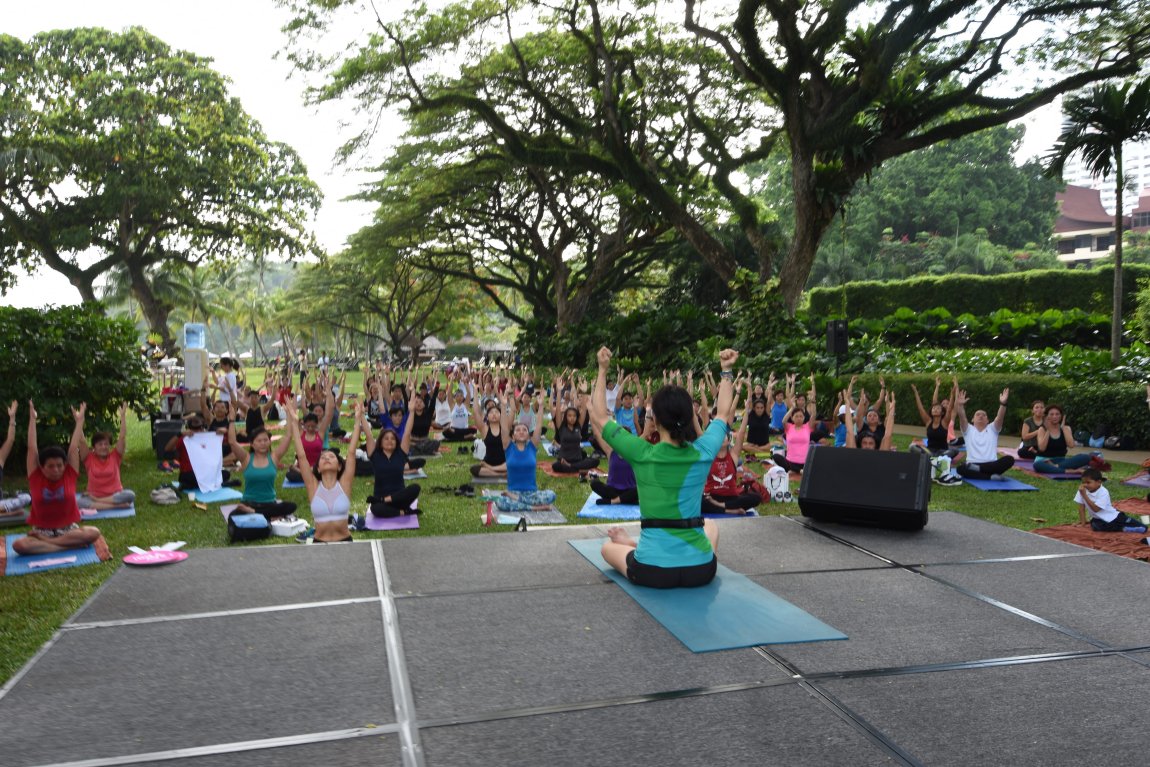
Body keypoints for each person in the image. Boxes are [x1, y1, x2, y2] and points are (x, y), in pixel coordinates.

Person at [591, 345, 738, 589]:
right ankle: (655, 548)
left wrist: (602, 369)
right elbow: (722, 414)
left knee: (607, 548)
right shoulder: (703, 451)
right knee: (710, 525)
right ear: (691, 418)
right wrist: (726, 370)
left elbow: (599, 416)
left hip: (652, 570)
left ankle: (633, 544)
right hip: (700, 571)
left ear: (655, 420)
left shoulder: (641, 452)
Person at [12, 401, 102, 555]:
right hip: (42, 531)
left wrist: (80, 421)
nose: (56, 470)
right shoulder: (35, 476)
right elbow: (32, 448)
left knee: (93, 532)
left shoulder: (69, 473)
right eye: (51, 466)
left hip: (68, 531)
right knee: (19, 545)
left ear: (65, 465)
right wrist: (33, 419)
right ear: (42, 467)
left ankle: (51, 545)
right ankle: (67, 547)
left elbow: (74, 447)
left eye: (59, 465)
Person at [286, 400, 363, 542]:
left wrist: (358, 420)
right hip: (319, 543)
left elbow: (351, 453)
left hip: (345, 540)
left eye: (331, 457)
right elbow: (301, 456)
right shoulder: (313, 486)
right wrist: (294, 423)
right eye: (323, 457)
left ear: (339, 466)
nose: (327, 458)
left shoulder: (344, 484)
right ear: (318, 467)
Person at [227, 406, 298, 520]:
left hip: (269, 503)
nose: (263, 443)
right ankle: (266, 515)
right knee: (233, 516)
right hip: (249, 503)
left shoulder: (274, 457)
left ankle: (257, 513)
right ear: (252, 444)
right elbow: (232, 442)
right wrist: (231, 420)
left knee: (291, 506)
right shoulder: (246, 458)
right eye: (259, 441)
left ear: (270, 442)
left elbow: (288, 436)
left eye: (266, 440)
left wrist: (289, 414)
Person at [701, 384, 760, 516]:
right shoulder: (709, 454)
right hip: (711, 497)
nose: (722, 438)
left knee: (756, 497)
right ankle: (730, 510)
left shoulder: (733, 455)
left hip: (730, 498)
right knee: (697, 501)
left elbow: (742, 432)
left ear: (728, 439)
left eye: (725, 436)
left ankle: (722, 507)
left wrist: (746, 410)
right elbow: (704, 411)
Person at [493, 392, 556, 512]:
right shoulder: (508, 447)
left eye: (524, 430)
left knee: (551, 495)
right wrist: (503, 405)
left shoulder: (532, 446)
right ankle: (533, 507)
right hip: (513, 492)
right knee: (500, 502)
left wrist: (541, 406)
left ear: (528, 436)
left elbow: (538, 426)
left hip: (531, 493)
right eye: (517, 430)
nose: (521, 432)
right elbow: (504, 428)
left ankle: (519, 500)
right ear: (513, 436)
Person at [362, 399, 421, 518]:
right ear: (381, 442)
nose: (390, 441)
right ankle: (402, 512)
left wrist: (412, 411)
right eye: (386, 438)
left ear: (396, 442)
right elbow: (368, 435)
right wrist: (361, 415)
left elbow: (407, 433)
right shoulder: (375, 455)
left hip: (399, 498)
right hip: (381, 500)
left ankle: (387, 501)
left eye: (393, 438)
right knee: (375, 508)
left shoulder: (400, 453)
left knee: (416, 487)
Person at [77, 403, 136, 510]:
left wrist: (122, 416)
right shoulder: (88, 458)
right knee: (79, 502)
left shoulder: (115, 456)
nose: (104, 447)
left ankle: (100, 503)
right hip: (95, 495)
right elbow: (81, 440)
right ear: (94, 447)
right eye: (100, 444)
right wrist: (79, 421)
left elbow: (122, 437)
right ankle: (116, 506)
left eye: (106, 444)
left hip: (113, 496)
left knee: (130, 495)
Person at [954, 387, 1016, 480]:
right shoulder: (968, 429)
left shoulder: (993, 429)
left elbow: (1000, 417)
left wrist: (1003, 404)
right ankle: (990, 476)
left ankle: (979, 471)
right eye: (978, 414)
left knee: (1009, 459)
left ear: (987, 420)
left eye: (984, 415)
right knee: (960, 469)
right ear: (972, 419)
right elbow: (962, 417)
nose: (981, 416)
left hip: (992, 464)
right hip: (973, 463)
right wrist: (960, 405)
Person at [1075, 467, 1146, 532]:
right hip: (1098, 520)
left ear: (1099, 482)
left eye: (1088, 482)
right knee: (1096, 526)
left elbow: (1096, 509)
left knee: (1143, 527)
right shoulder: (1082, 490)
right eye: (1083, 482)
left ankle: (1127, 527)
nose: (1085, 485)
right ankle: (1123, 529)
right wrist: (1083, 524)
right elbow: (1081, 508)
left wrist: (1084, 495)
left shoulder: (1103, 492)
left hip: (1114, 516)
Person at [1032, 404, 1095, 474]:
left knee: (1086, 457)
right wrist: (1048, 430)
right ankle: (1071, 471)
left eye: (1057, 414)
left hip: (1061, 461)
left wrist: (1064, 429)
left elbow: (1071, 445)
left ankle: (1056, 467)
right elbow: (1041, 448)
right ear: (1047, 416)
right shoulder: (1042, 429)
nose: (1054, 416)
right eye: (1051, 414)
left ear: (1061, 416)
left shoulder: (1066, 428)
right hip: (1043, 461)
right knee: (1037, 465)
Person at [550, 402, 600, 474]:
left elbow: (583, 411)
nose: (572, 418)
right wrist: (558, 392)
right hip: (563, 459)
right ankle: (576, 468)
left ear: (577, 417)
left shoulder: (578, 426)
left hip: (577, 459)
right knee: (555, 466)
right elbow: (557, 411)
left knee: (596, 461)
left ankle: (570, 466)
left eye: (574, 416)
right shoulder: (561, 427)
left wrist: (584, 394)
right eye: (569, 416)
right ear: (565, 417)